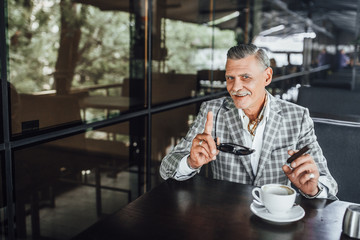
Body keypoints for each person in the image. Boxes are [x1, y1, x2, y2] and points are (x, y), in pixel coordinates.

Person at [160, 44, 338, 199]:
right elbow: (166, 168)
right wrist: (191, 162)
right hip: (226, 215)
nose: (235, 87)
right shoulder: (212, 111)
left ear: (267, 77)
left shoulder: (297, 117)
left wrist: (314, 189)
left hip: (276, 218)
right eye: (230, 78)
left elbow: (329, 184)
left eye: (246, 77)